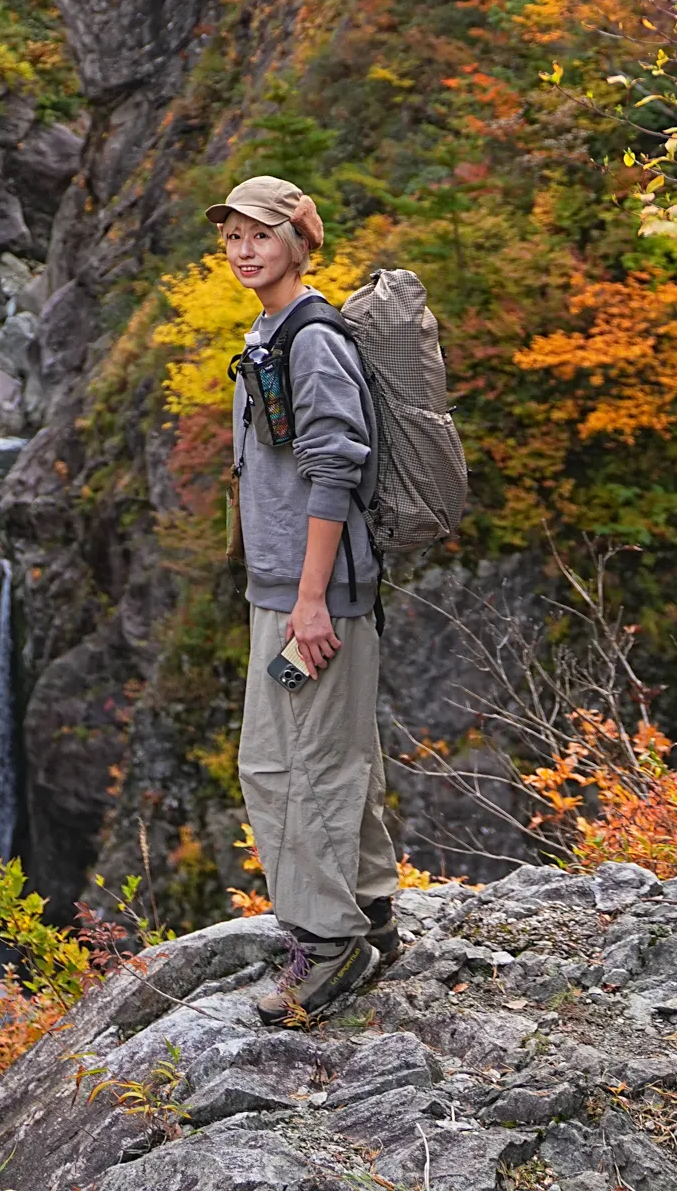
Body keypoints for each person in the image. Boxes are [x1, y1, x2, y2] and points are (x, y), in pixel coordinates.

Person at [213, 172, 400, 1020]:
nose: (243, 250)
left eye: (260, 234)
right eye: (233, 237)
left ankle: (328, 947)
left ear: (298, 241)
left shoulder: (312, 338)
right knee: (328, 754)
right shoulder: (270, 330)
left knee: (289, 764)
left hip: (313, 593)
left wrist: (313, 599)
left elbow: (335, 468)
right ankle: (371, 916)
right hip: (289, 586)